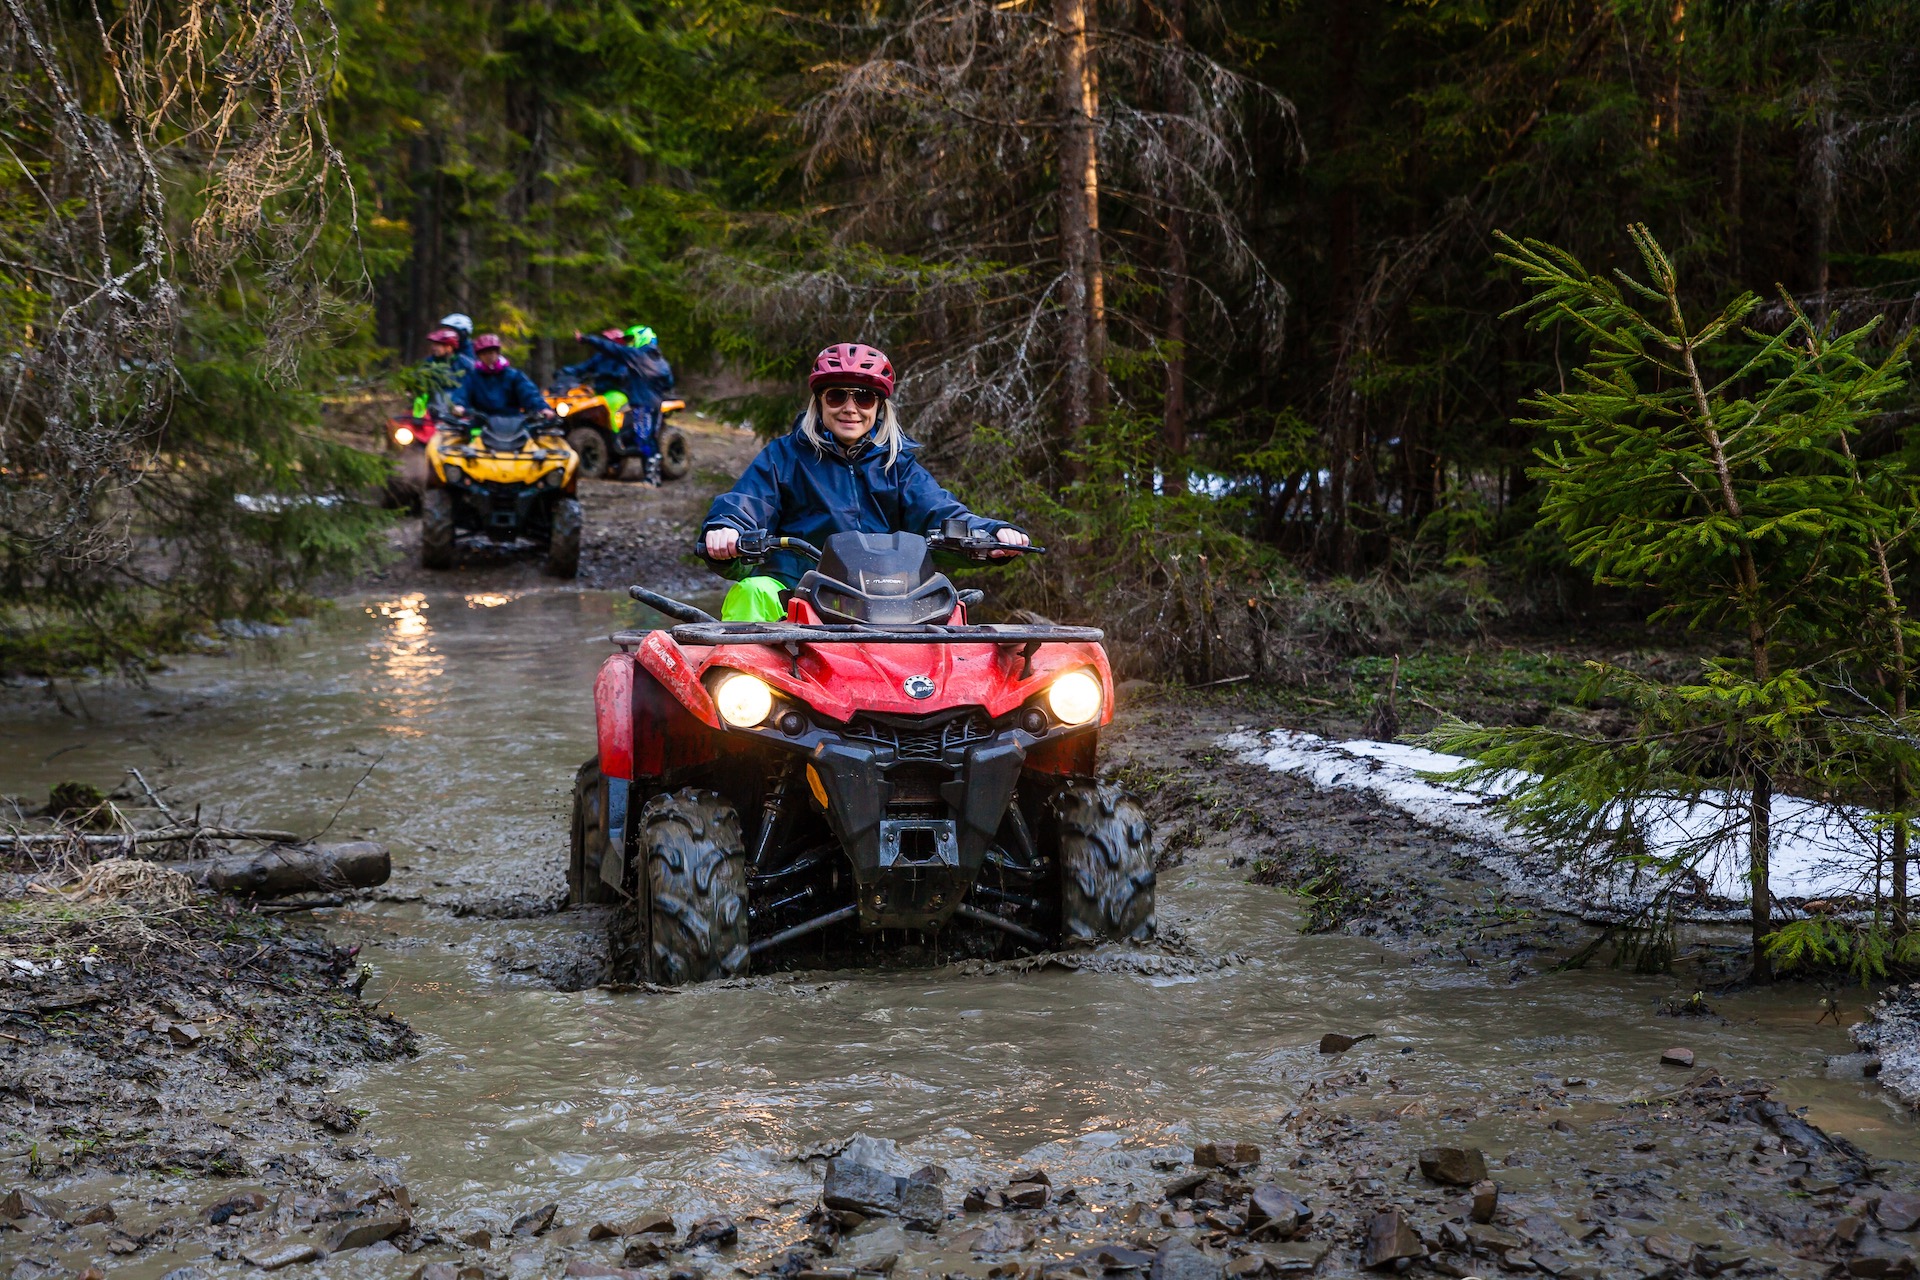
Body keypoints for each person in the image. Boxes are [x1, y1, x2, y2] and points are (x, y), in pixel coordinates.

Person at [702, 342, 1029, 622]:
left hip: (891, 597)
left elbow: (940, 510)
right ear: (819, 402)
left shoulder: (898, 464)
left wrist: (992, 532)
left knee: (947, 601)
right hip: (797, 592)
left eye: (864, 398)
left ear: (878, 406)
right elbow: (748, 502)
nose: (850, 408)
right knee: (752, 591)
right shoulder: (784, 456)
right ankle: (743, 685)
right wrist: (727, 528)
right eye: (837, 396)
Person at [561, 325, 675, 482]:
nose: (629, 343)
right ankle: (651, 476)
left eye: (632, 339)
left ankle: (651, 478)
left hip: (641, 402)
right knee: (649, 437)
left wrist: (587, 339)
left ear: (642, 338)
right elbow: (668, 382)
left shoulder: (636, 356)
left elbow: (611, 349)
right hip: (654, 402)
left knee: (644, 438)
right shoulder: (661, 362)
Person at [451, 334, 552, 420]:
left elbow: (530, 394)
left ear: (498, 353)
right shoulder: (472, 377)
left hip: (514, 423)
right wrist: (458, 406)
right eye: (484, 353)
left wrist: (542, 408)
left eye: (491, 352)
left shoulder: (514, 375)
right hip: (480, 424)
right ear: (479, 356)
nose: (489, 356)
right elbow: (461, 394)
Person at [409, 327, 471, 423]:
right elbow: (418, 388)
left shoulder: (465, 364)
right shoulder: (427, 364)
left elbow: (470, 389)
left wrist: (463, 408)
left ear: (450, 347)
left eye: (438, 344)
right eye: (433, 344)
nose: (433, 347)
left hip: (459, 414)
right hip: (431, 414)